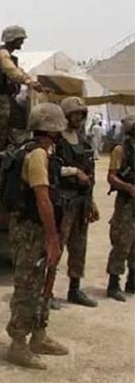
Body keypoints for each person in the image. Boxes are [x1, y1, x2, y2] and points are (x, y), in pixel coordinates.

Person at [6, 103, 69, 370]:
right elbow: (43, 199)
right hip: (31, 231)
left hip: (35, 229)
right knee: (27, 286)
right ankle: (18, 344)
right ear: (52, 130)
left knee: (44, 283)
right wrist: (53, 238)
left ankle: (39, 335)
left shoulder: (38, 151)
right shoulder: (37, 156)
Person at [0, 25, 44, 183]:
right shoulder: (2, 54)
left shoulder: (8, 55)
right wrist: (29, 82)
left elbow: (18, 71)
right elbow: (11, 71)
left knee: (11, 133)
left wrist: (33, 82)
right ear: (12, 39)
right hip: (0, 99)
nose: (22, 42)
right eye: (20, 39)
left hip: (7, 98)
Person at [54, 97, 99, 308]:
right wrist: (73, 171)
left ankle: (74, 289)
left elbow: (90, 175)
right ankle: (47, 291)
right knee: (56, 247)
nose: (78, 118)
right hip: (63, 201)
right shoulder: (56, 141)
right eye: (74, 114)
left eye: (81, 114)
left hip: (81, 202)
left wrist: (92, 202)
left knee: (79, 248)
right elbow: (51, 168)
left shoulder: (83, 141)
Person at [105, 115, 135, 302]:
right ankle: (113, 283)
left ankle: (132, 281)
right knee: (122, 242)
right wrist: (128, 187)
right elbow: (111, 177)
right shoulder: (121, 150)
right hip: (126, 202)